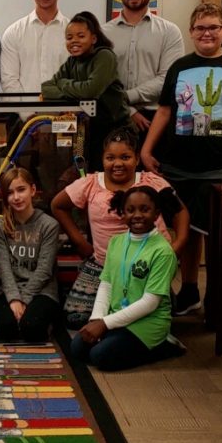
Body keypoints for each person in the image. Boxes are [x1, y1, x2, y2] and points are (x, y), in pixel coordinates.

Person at [141, 2, 222, 315]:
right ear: (191, 32)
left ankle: (217, 297)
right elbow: (166, 110)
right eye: (200, 28)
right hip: (179, 166)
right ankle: (190, 289)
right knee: (187, 230)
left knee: (218, 235)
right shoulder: (180, 67)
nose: (206, 33)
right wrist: (146, 150)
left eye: (213, 27)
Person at [52, 127, 189, 329]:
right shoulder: (90, 183)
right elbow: (58, 205)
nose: (117, 163)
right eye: (111, 158)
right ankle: (118, 317)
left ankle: (146, 310)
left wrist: (175, 247)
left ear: (136, 159)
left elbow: (181, 212)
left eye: (125, 157)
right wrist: (80, 242)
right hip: (103, 264)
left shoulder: (152, 183)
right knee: (75, 318)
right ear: (103, 159)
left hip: (147, 265)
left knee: (145, 313)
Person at [69, 185, 185, 372]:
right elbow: (106, 284)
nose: (137, 215)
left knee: (100, 357)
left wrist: (105, 324)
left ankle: (164, 345)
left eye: (145, 209)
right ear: (122, 214)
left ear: (157, 214)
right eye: (130, 210)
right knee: (77, 349)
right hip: (118, 316)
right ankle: (116, 338)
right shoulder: (116, 242)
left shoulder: (163, 251)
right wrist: (96, 318)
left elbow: (150, 303)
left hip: (148, 322)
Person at [0, 0, 70, 194]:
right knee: (20, 187)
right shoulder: (14, 32)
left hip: (63, 125)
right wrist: (30, 118)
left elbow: (74, 80)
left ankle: (58, 228)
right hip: (24, 124)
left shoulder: (73, 31)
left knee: (61, 184)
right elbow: (9, 80)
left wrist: (53, 119)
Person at [41, 11, 132, 172]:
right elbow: (46, 88)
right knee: (87, 176)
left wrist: (63, 83)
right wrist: (72, 93)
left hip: (115, 130)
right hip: (89, 131)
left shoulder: (105, 56)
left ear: (94, 39)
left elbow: (90, 91)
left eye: (81, 36)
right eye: (69, 38)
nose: (74, 41)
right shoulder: (71, 62)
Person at [102, 0, 184, 140]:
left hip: (156, 119)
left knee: (152, 168)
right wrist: (128, 110)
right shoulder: (103, 33)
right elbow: (101, 80)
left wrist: (126, 97)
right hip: (113, 116)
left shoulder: (169, 32)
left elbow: (168, 78)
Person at [0, 167, 61, 343]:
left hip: (42, 291)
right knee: (5, 327)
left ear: (32, 190)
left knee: (32, 328)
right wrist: (14, 299)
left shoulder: (49, 225)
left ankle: (49, 322)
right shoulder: (0, 227)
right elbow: (4, 269)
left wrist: (25, 300)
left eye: (21, 190)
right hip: (11, 289)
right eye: (10, 193)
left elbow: (45, 270)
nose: (16, 197)